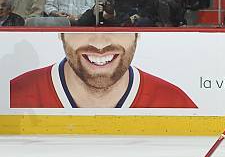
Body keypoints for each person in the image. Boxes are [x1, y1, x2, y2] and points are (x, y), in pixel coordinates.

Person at [10, 33, 197, 108]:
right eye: (81, 30)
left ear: (137, 35)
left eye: (117, 29)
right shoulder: (12, 94)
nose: (100, 44)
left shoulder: (176, 101)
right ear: (61, 34)